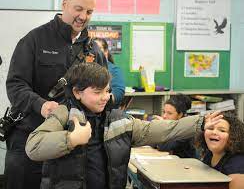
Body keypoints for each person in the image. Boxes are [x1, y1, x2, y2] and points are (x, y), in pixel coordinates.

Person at [25, 62, 222, 189]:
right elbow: (33, 146)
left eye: (107, 91)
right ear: (77, 93)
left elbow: (162, 130)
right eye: (97, 92)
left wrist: (200, 122)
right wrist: (71, 139)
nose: (104, 97)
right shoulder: (63, 114)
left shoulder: (118, 119)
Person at [5, 0, 107, 189]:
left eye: (89, 11)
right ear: (65, 4)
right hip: (29, 140)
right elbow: (15, 85)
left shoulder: (93, 50)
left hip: (70, 147)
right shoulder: (34, 40)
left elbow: (104, 90)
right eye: (78, 9)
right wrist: (41, 105)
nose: (83, 16)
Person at [195, 111, 244, 189]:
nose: (214, 132)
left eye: (222, 130)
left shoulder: (237, 165)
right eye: (210, 128)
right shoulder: (209, 155)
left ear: (233, 137)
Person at [94, 38, 125, 108]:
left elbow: (118, 93)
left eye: (98, 48)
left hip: (107, 111)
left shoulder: (114, 70)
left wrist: (100, 98)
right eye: (92, 48)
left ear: (106, 51)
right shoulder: (87, 70)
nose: (95, 51)